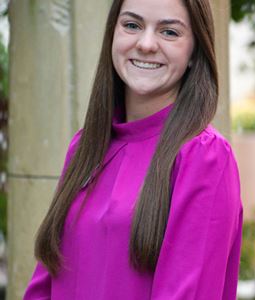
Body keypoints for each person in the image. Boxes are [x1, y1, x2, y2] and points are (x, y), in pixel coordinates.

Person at [23, 0, 243, 299]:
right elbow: (45, 282)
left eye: (169, 32)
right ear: (112, 35)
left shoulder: (204, 156)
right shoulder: (85, 146)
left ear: (195, 52)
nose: (146, 44)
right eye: (132, 25)